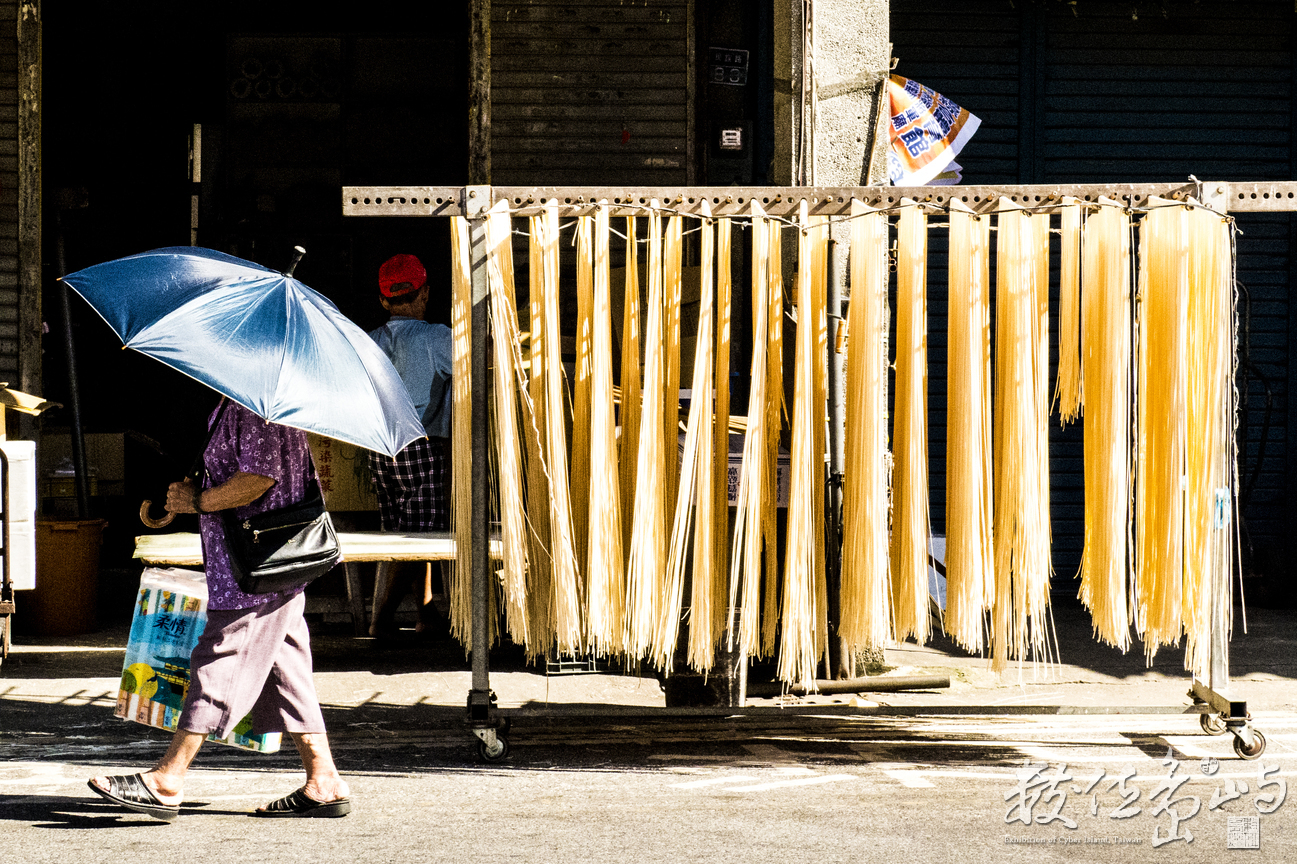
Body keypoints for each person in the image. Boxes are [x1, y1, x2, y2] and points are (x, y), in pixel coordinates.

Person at [88, 399, 351, 820]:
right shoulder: (238, 405)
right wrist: (190, 494)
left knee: (219, 658)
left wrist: (201, 502)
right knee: (286, 664)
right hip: (261, 564)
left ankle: (167, 778)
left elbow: (259, 478)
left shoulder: (256, 410)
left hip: (258, 565)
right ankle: (324, 780)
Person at [365, 253, 453, 638]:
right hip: (424, 444)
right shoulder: (437, 337)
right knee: (420, 536)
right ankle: (380, 619)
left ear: (384, 300)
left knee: (404, 530)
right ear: (425, 293)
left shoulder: (369, 342)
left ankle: (426, 611)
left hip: (381, 448)